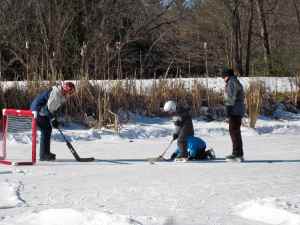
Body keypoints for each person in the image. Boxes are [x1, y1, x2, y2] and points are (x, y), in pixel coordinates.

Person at [30, 82, 76, 161]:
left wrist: (54, 118)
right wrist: (52, 119)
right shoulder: (56, 94)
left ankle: (46, 153)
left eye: (71, 92)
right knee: (45, 130)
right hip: (37, 111)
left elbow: (51, 109)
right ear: (65, 89)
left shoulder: (60, 94)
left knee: (47, 129)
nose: (70, 94)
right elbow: (47, 109)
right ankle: (43, 155)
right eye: (70, 92)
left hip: (42, 111)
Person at [222, 68, 245, 162]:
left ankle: (236, 154)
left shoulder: (231, 82)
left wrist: (228, 110)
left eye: (223, 77)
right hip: (238, 109)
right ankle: (239, 153)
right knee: (236, 131)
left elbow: (230, 97)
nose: (223, 79)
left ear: (227, 76)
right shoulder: (235, 81)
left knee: (234, 131)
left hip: (234, 110)